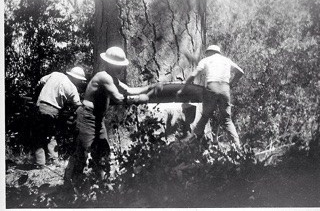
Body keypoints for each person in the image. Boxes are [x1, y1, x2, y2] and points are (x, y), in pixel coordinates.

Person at [65, 46, 163, 186]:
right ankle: (71, 185)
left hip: (97, 119)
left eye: (121, 66)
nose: (121, 69)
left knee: (103, 150)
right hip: (87, 117)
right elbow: (117, 97)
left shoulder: (112, 78)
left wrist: (151, 87)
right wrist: (139, 99)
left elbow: (129, 89)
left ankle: (102, 183)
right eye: (118, 66)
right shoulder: (103, 77)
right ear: (109, 64)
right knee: (83, 151)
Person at [177, 45, 244, 150]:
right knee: (227, 119)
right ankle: (238, 147)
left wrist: (183, 88)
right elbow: (240, 72)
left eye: (206, 53)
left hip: (211, 87)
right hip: (225, 89)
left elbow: (194, 74)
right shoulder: (226, 60)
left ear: (209, 52)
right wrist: (231, 84)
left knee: (205, 116)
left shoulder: (207, 60)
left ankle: (191, 143)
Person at [34, 66, 87, 167]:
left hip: (40, 106)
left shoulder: (56, 74)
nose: (79, 82)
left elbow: (41, 81)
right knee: (51, 135)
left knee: (39, 135)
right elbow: (77, 105)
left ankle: (40, 163)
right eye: (79, 80)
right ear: (76, 78)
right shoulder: (72, 88)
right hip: (53, 110)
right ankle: (53, 160)